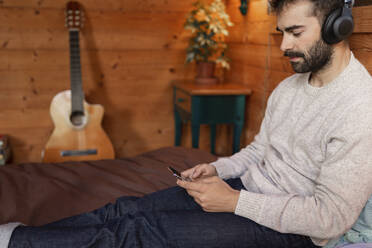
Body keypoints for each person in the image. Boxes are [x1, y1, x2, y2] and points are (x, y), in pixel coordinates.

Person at [1, 0, 372, 247]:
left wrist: (234, 202)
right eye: (281, 34)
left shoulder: (359, 106)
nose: (283, 47)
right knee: (126, 208)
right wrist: (216, 167)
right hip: (246, 193)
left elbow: (331, 219)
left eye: (295, 32)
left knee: (137, 233)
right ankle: (21, 237)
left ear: (335, 26)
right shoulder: (290, 87)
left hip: (289, 229)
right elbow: (260, 150)